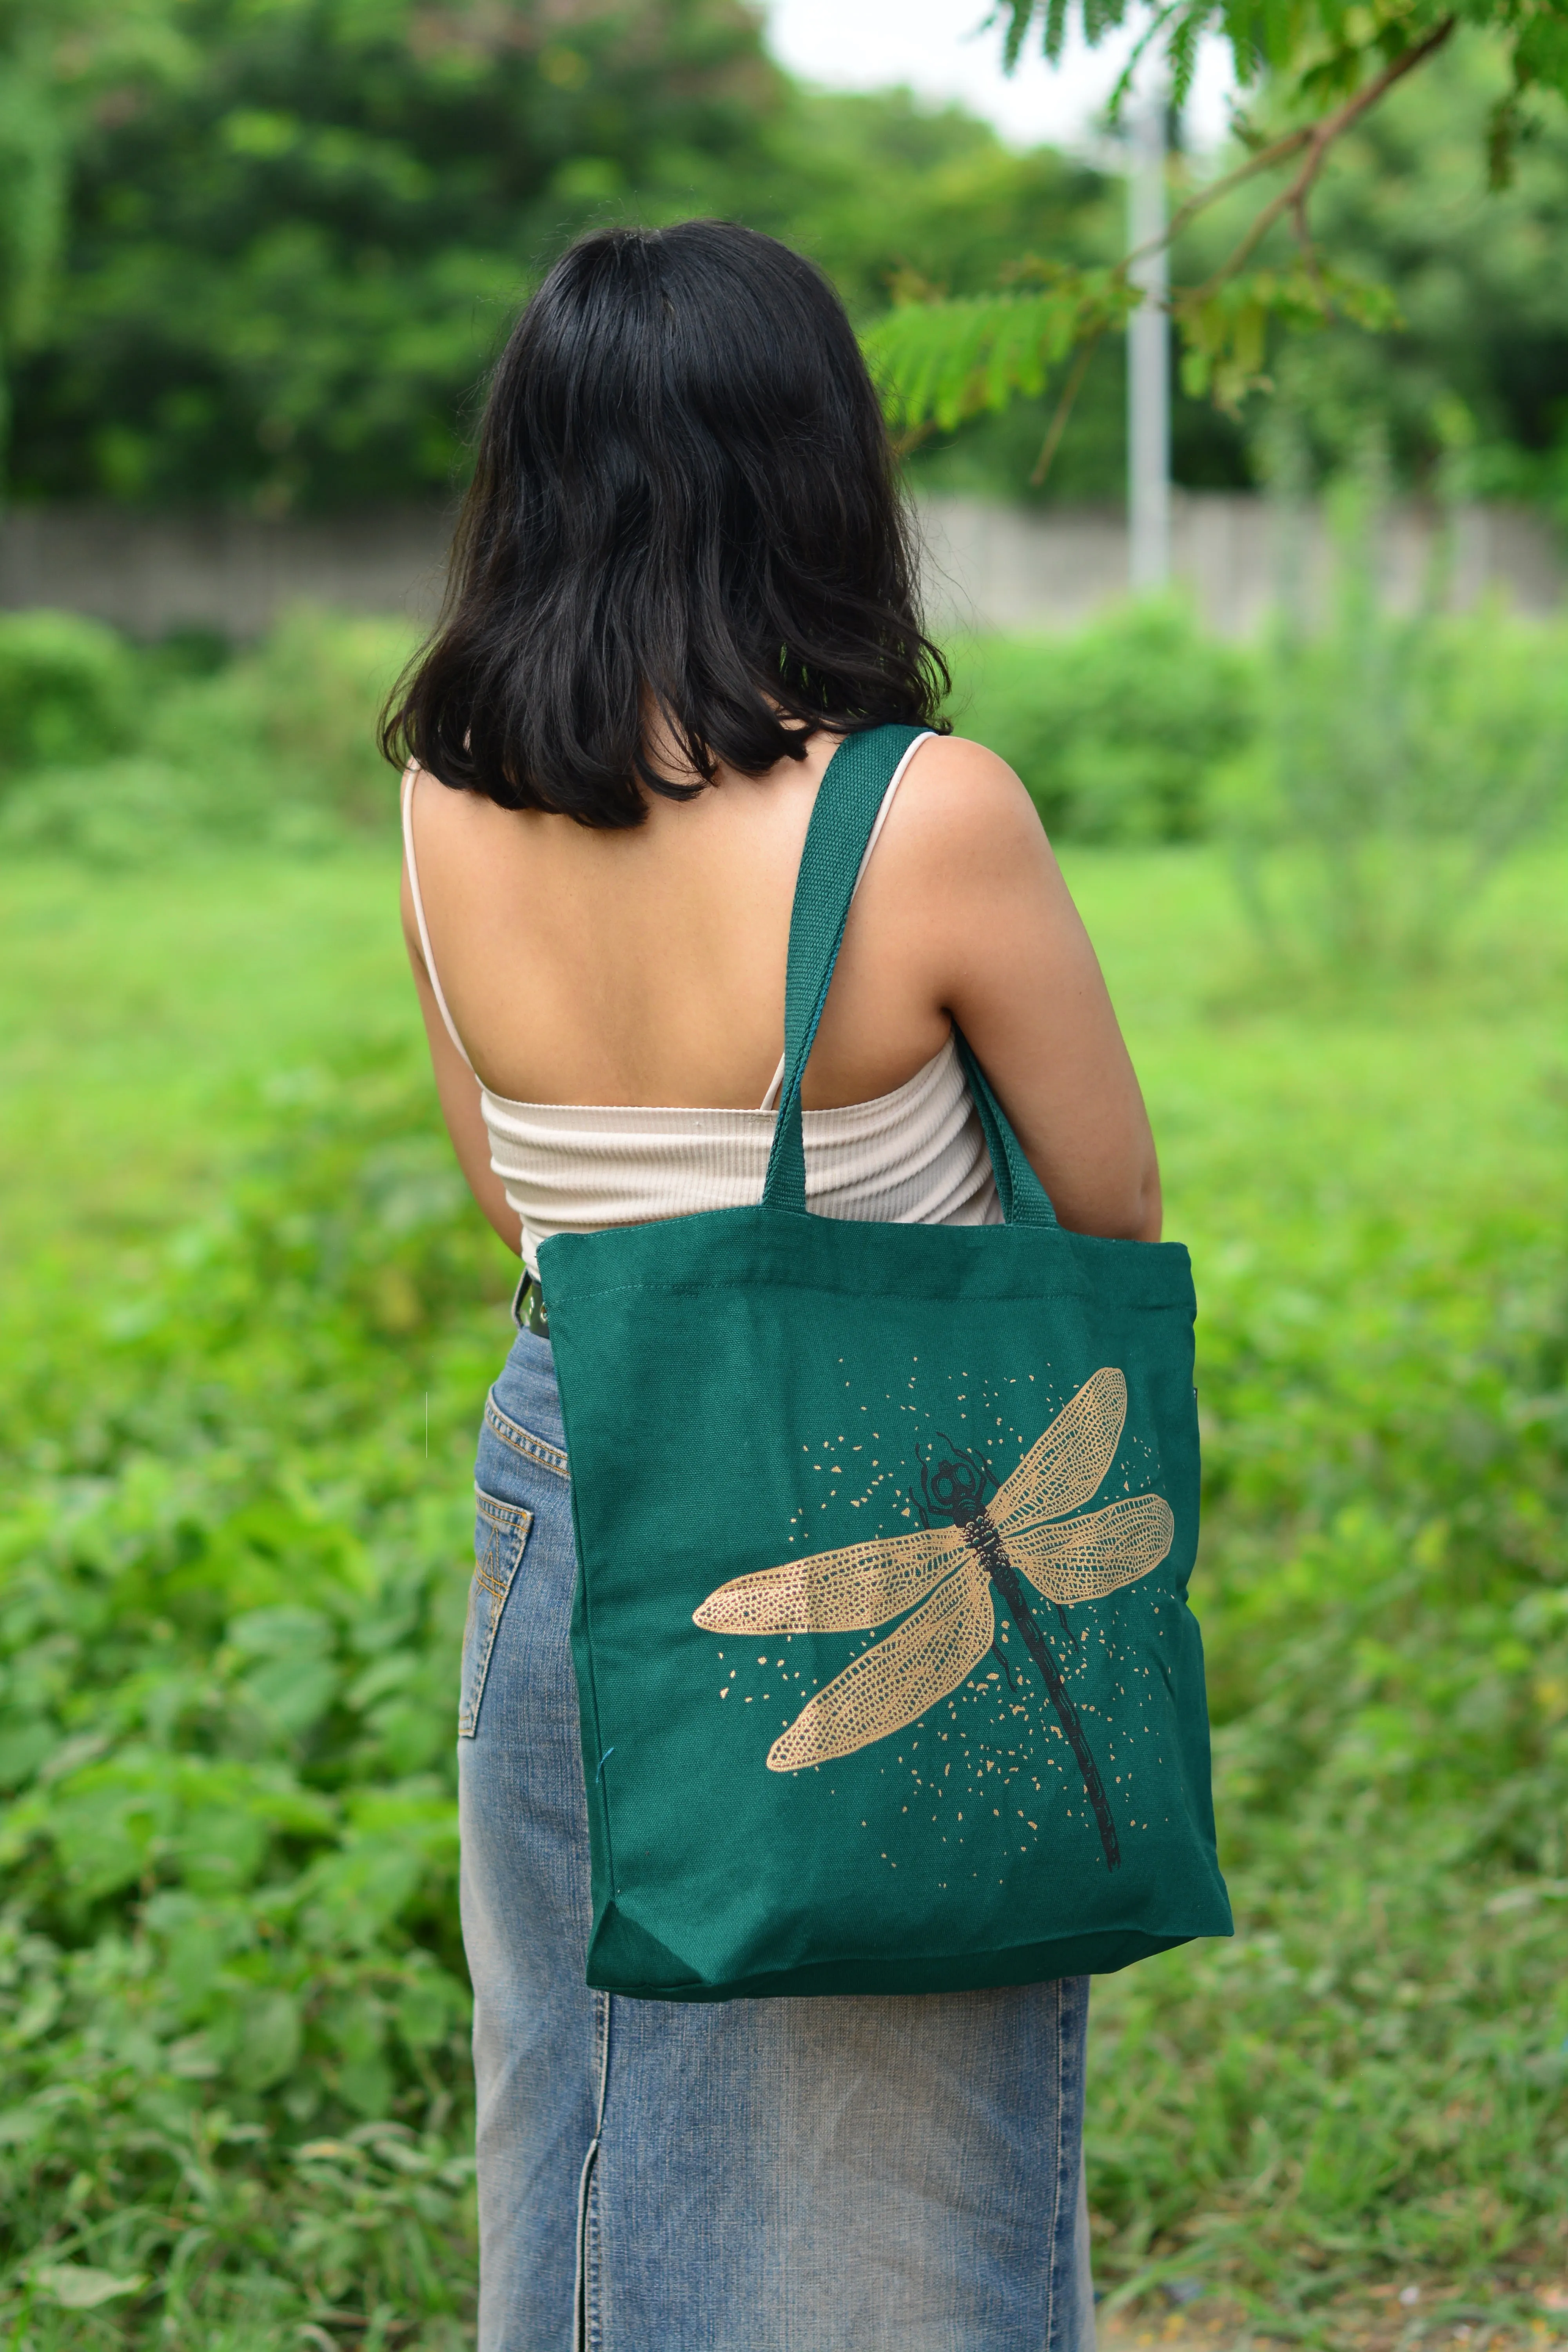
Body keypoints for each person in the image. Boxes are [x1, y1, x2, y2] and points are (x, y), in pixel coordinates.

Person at [386, 218, 1160, 2352]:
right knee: (893, 2168)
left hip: (576, 1467)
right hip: (887, 1490)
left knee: (589, 2095)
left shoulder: (445, 801)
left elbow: (517, 1211)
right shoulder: (931, 817)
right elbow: (1107, 1221)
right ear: (822, 469)